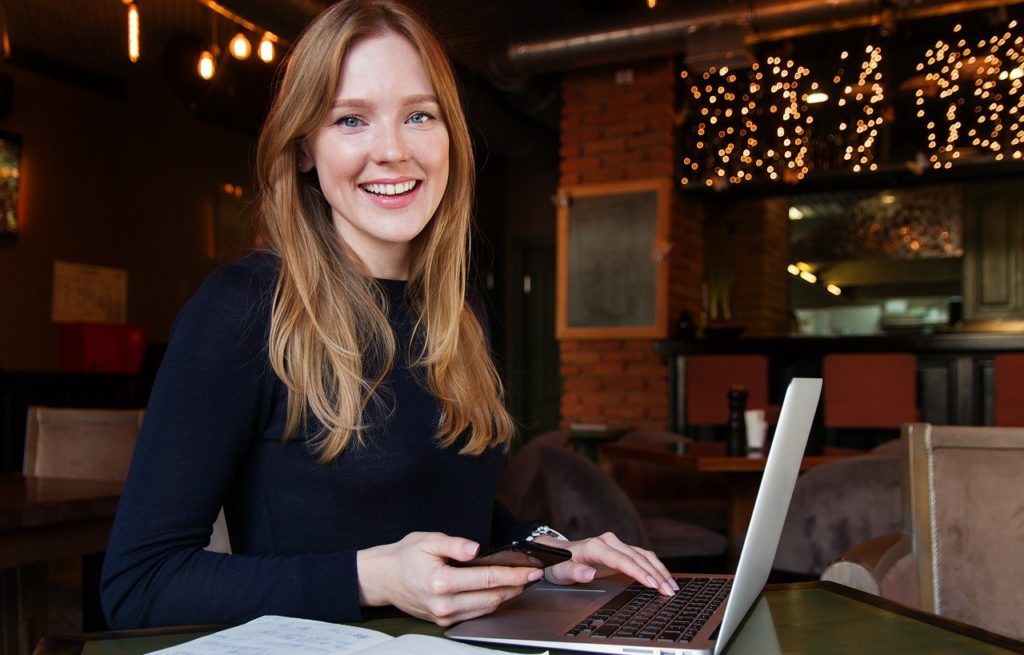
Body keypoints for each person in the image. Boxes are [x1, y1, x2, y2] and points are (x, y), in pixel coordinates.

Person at [100, 0, 678, 630]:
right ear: (302, 149)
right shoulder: (242, 308)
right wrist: (368, 579)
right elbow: (140, 584)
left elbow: (458, 518)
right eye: (351, 120)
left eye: (418, 116)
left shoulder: (459, 310)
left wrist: (551, 550)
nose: (393, 151)